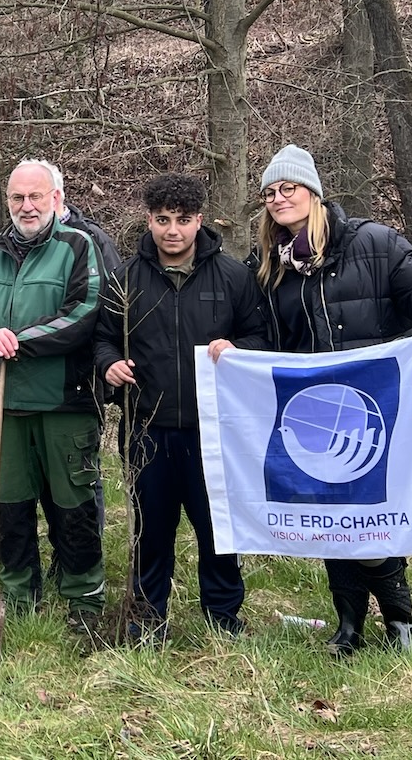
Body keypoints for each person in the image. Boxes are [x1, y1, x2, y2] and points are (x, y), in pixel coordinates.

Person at [250, 144, 412, 654]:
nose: (279, 199)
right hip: (315, 415)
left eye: (288, 188)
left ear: (313, 192)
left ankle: (401, 624)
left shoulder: (373, 241)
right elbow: (264, 334)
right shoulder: (268, 266)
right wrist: (234, 351)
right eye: (270, 193)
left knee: (373, 519)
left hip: (377, 412)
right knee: (331, 518)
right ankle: (349, 627)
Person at [92, 174, 267, 641]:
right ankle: (147, 618)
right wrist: (109, 365)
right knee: (150, 529)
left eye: (183, 220)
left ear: (200, 221)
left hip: (214, 430)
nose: (173, 230)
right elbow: (103, 339)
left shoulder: (233, 277)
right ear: (149, 220)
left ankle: (223, 617)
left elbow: (261, 336)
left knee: (216, 528)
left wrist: (238, 348)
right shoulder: (124, 279)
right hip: (146, 427)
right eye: (163, 219)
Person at [0, 159, 109, 645]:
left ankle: (84, 600)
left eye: (35, 196)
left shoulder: (77, 246)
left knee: (73, 505)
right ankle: (21, 596)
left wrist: (16, 340)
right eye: (17, 197)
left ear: (56, 199)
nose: (26, 206)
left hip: (65, 401)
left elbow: (83, 311)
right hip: (5, 403)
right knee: (10, 505)